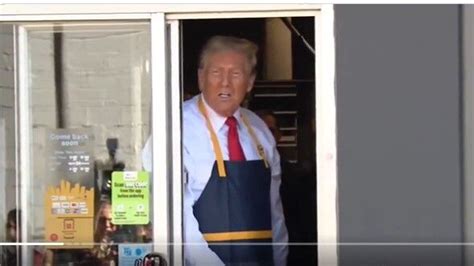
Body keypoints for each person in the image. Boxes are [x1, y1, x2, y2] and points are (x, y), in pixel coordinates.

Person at [142, 35, 288, 265]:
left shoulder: (260, 131)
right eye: (216, 73)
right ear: (201, 78)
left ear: (250, 82)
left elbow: (274, 211)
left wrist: (280, 260)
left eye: (236, 74)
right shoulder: (174, 129)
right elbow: (175, 218)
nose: (225, 83)